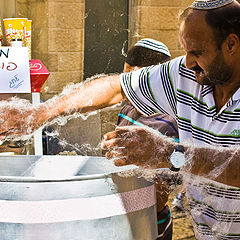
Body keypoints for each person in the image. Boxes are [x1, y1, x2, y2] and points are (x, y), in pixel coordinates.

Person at [0, 0, 240, 238]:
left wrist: (167, 153)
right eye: (186, 51)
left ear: (231, 44)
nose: (188, 62)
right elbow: (114, 88)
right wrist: (38, 113)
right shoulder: (186, 75)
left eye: (197, 52)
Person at [119, 38, 178, 240]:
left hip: (150, 224)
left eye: (129, 75)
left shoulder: (168, 123)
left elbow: (160, 195)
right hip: (126, 214)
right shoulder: (127, 108)